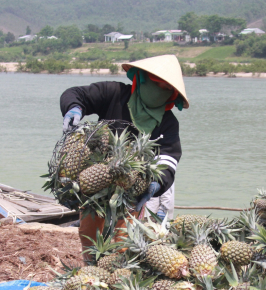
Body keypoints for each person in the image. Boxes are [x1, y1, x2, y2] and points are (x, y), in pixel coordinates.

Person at [60, 54, 189, 252]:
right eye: (156, 84)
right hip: (94, 184)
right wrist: (74, 108)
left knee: (124, 243)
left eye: (166, 89)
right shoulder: (114, 93)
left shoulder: (168, 122)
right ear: (142, 78)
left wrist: (156, 184)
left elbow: (169, 159)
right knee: (89, 236)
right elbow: (76, 93)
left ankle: (117, 272)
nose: (159, 92)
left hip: (130, 192)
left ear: (172, 95)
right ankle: (90, 271)